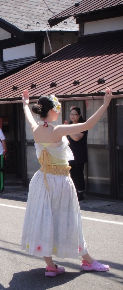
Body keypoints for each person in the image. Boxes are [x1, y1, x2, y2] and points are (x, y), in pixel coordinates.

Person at [20, 89, 111, 277]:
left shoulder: (36, 129)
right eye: (57, 107)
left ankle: (51, 266)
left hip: (42, 181)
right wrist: (105, 104)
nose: (59, 111)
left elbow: (29, 116)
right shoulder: (58, 129)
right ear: (52, 110)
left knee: (45, 219)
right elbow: (88, 124)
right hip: (59, 181)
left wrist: (25, 104)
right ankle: (87, 260)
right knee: (69, 220)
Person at [65, 107, 88, 201]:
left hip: (79, 153)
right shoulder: (69, 125)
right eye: (71, 114)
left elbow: (76, 138)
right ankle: (73, 191)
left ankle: (80, 193)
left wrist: (67, 129)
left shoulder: (82, 125)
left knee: (79, 173)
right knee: (71, 173)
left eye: (75, 114)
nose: (72, 116)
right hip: (70, 153)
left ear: (79, 115)